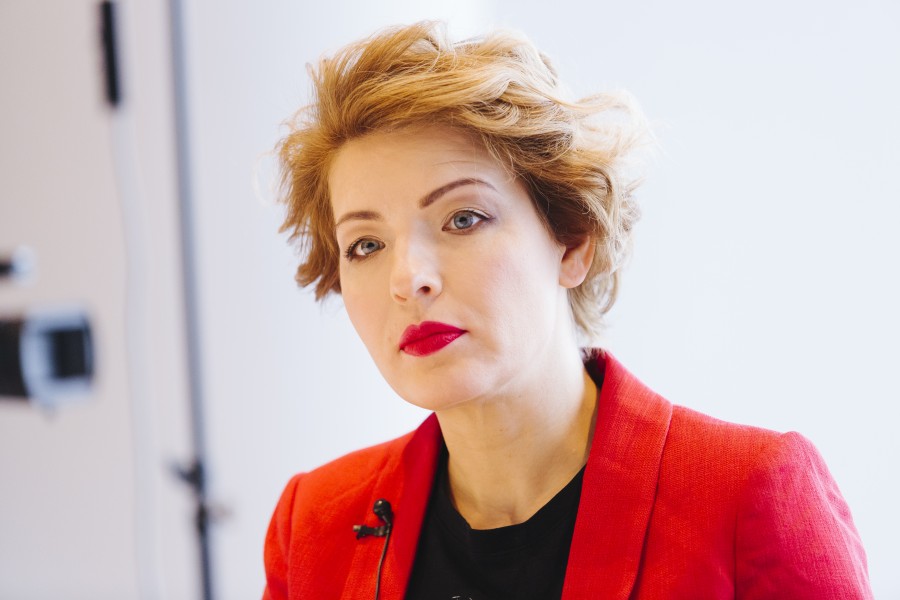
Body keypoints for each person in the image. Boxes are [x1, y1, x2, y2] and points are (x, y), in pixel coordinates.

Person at [262, 21, 872, 600]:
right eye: (366, 245)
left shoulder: (748, 493)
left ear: (573, 240)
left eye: (463, 218)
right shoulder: (313, 522)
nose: (408, 279)